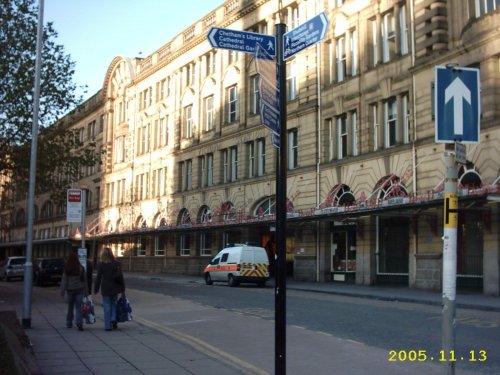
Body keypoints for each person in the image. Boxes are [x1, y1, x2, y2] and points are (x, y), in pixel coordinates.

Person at [93, 247, 125, 331]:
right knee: (113, 304)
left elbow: (98, 278)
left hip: (106, 288)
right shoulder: (116, 263)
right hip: (115, 288)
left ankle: (107, 326)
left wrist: (96, 289)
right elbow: (121, 277)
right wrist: (123, 289)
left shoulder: (101, 264)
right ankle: (113, 318)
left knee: (107, 307)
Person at [60, 251, 87, 331]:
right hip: (80, 289)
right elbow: (85, 280)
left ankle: (69, 323)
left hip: (70, 290)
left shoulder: (67, 268)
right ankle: (79, 323)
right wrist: (87, 292)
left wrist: (62, 291)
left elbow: (64, 280)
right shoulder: (81, 268)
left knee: (70, 307)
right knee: (78, 307)